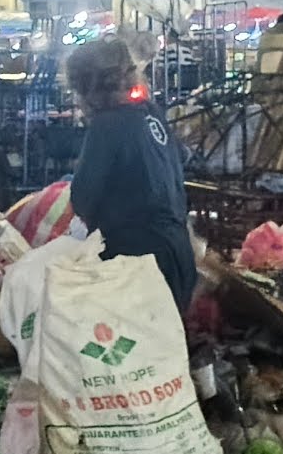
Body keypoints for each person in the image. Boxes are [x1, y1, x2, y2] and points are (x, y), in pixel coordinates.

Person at [67, 38, 197, 312]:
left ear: (84, 89)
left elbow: (82, 199)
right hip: (178, 255)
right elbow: (180, 158)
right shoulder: (150, 112)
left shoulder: (106, 125)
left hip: (137, 262)